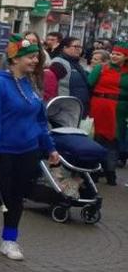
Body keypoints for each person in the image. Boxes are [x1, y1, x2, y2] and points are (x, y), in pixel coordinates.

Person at [0, 37, 60, 261]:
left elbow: (39, 120)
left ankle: (9, 241)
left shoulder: (31, 83)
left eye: (36, 57)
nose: (35, 61)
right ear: (15, 58)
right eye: (30, 56)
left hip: (27, 150)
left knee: (16, 197)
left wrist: (51, 148)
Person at [87, 41, 127, 185]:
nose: (115, 56)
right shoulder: (101, 68)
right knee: (96, 138)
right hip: (98, 106)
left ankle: (110, 171)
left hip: (118, 110)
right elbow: (89, 85)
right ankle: (95, 170)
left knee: (113, 140)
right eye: (113, 53)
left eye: (119, 54)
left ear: (125, 57)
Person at [45, 37, 91, 109]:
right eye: (76, 46)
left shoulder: (78, 63)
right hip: (66, 107)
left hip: (79, 106)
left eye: (80, 47)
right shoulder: (58, 63)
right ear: (65, 48)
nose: (79, 49)